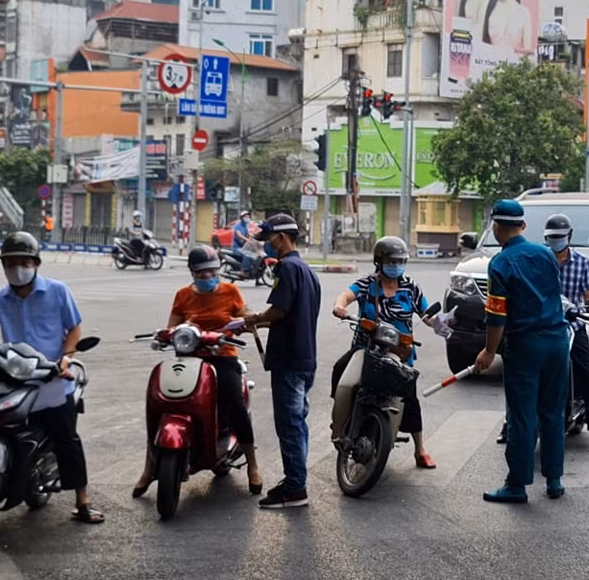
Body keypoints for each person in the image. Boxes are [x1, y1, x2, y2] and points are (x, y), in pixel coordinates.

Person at [0, 232, 105, 523]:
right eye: (11, 263)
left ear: (35, 263)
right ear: (3, 266)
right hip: (13, 376)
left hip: (51, 377)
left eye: (23, 262)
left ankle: (82, 501)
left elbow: (74, 329)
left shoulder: (58, 291)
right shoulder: (0, 297)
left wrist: (67, 357)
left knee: (67, 439)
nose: (17, 268)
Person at [132, 245, 263, 499]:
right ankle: (149, 468)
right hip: (189, 358)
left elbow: (244, 315)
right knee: (159, 405)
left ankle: (253, 465)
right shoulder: (182, 295)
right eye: (202, 274)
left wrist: (243, 323)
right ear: (192, 273)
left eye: (212, 272)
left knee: (235, 404)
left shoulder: (230, 291)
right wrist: (172, 331)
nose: (208, 277)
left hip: (222, 357)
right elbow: (171, 327)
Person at [475, 199, 570, 503]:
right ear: (524, 226)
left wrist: (489, 351)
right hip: (557, 341)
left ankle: (517, 485)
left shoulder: (500, 263)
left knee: (521, 415)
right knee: (553, 412)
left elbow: (497, 315)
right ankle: (554, 480)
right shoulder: (546, 254)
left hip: (525, 345)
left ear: (495, 226)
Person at [331, 236, 438, 469]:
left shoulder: (411, 288)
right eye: (391, 261)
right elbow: (346, 295)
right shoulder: (366, 284)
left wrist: (440, 323)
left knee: (410, 397)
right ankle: (339, 426)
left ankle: (420, 449)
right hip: (365, 349)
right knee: (342, 375)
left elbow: (427, 314)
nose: (396, 265)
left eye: (400, 261)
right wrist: (340, 306)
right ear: (379, 261)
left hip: (400, 353)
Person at [244, 214, 320, 509]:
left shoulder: (286, 267)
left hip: (289, 360)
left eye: (270, 240)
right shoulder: (307, 270)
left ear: (282, 237)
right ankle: (295, 480)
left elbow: (279, 310)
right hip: (305, 358)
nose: (267, 246)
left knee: (289, 425)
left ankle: (294, 488)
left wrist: (256, 319)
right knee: (297, 424)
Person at [542, 213, 589, 452]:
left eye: (560, 237)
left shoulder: (583, 263)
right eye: (551, 237)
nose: (556, 241)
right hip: (543, 325)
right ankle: (510, 423)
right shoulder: (539, 260)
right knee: (521, 370)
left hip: (573, 325)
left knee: (588, 374)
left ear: (569, 236)